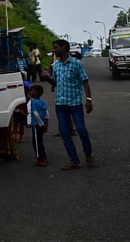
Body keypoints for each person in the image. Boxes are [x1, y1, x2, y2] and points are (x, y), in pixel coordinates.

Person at [46, 39, 95, 170]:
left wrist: (88, 99)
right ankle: (74, 160)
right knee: (65, 132)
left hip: (75, 103)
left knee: (81, 129)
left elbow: (85, 81)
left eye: (56, 48)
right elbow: (55, 83)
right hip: (60, 104)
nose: (54, 50)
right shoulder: (56, 66)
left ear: (64, 48)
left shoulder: (76, 64)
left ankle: (88, 155)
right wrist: (48, 79)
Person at [27, 84, 49, 167]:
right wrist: (46, 124)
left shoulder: (34, 103)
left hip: (36, 124)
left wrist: (41, 124)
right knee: (40, 141)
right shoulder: (42, 102)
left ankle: (40, 159)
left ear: (36, 93)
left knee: (36, 142)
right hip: (42, 124)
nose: (30, 92)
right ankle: (44, 156)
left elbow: (35, 114)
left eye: (31, 91)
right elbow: (47, 113)